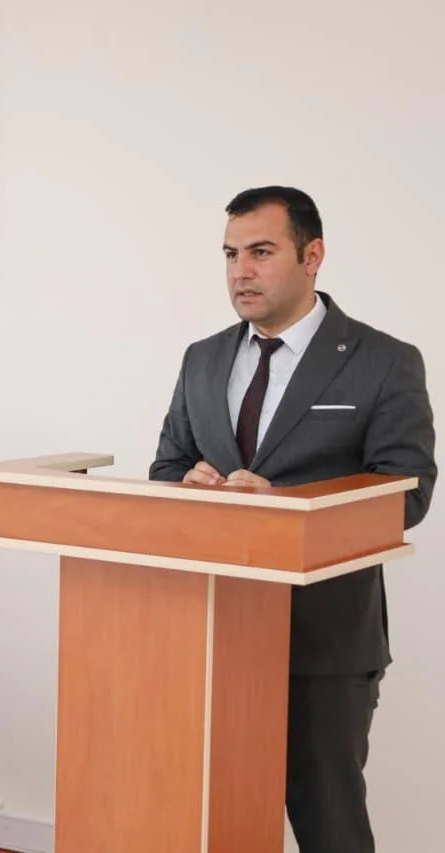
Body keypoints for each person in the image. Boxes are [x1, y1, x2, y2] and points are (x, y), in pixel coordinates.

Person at [150, 186, 436, 853]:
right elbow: (167, 466)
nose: (240, 271)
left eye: (260, 251)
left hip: (324, 640)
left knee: (328, 820)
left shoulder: (383, 361)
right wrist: (189, 482)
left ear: (312, 256)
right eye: (230, 254)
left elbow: (406, 493)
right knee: (210, 812)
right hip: (210, 628)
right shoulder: (202, 357)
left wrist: (285, 502)